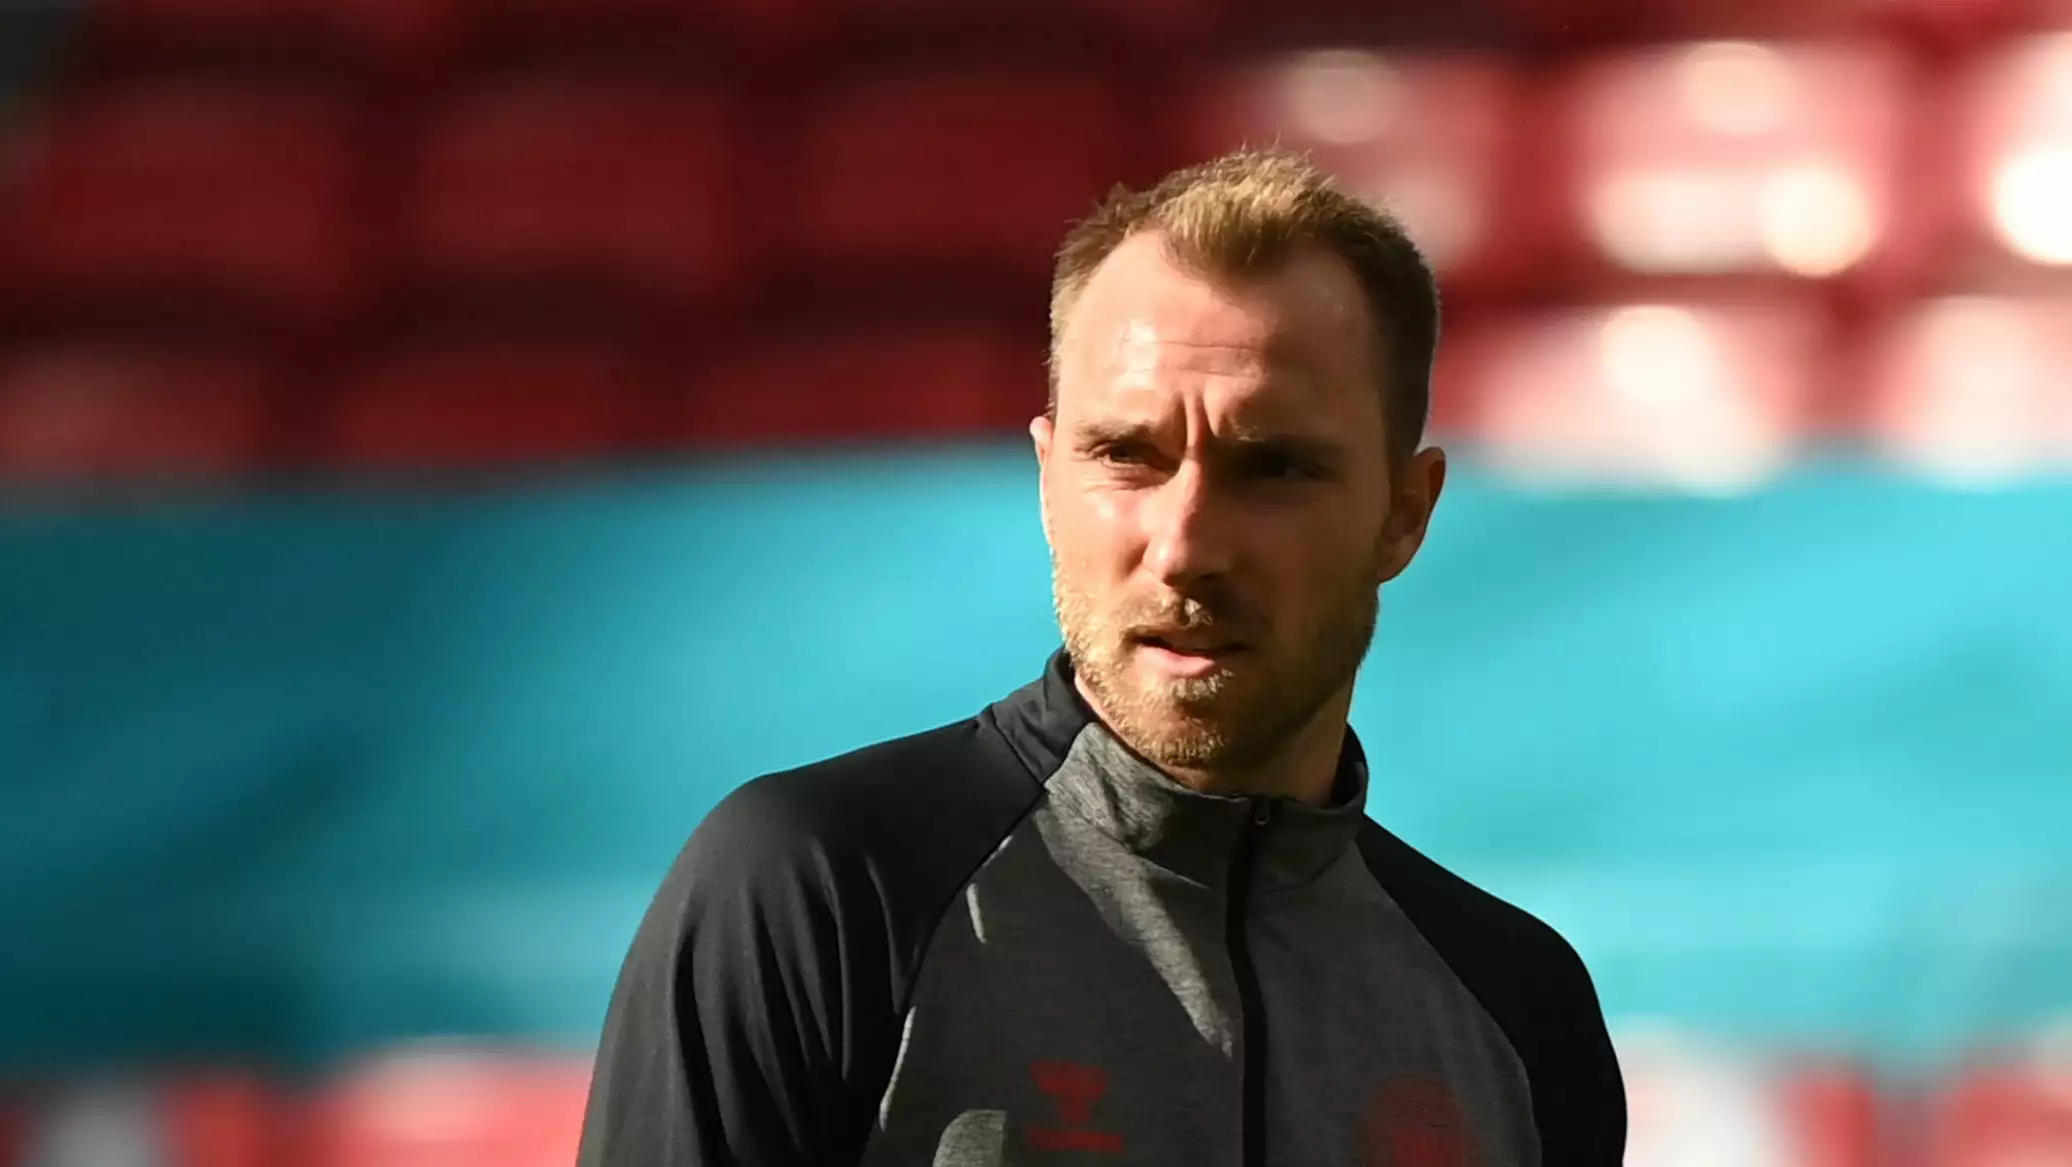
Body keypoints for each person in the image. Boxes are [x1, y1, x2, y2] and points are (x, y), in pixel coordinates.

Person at [576, 147, 1627, 1167]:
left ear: (1405, 513)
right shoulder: (816, 893)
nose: (1184, 546)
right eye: (1125, 455)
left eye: (1272, 468)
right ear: (1047, 479)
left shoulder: (1520, 1011)